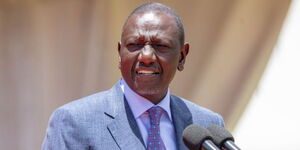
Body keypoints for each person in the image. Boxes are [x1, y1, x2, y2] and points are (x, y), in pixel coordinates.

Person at [42, 2, 224, 150]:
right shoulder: (74, 121)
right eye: (135, 44)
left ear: (182, 57)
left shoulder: (207, 127)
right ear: (120, 54)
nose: (146, 57)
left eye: (160, 45)